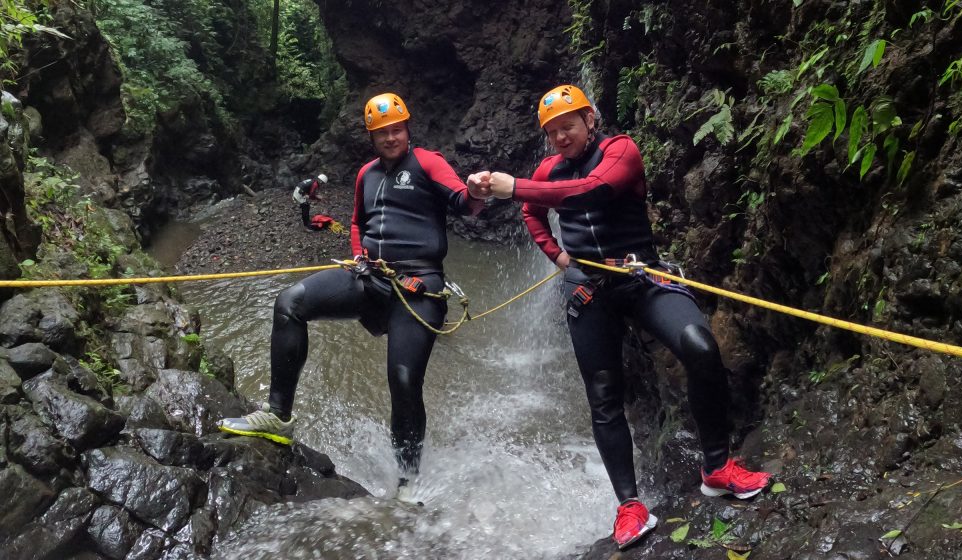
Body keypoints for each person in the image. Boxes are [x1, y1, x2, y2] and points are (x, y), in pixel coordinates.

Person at [468, 85, 771, 549]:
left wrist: (516, 186)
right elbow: (533, 211)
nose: (560, 138)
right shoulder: (549, 168)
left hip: (640, 275)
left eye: (567, 126)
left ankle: (716, 467)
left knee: (700, 346)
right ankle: (629, 505)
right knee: (604, 396)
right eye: (552, 132)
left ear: (590, 119)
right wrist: (559, 257)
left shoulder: (621, 150)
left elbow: (592, 191)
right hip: (588, 288)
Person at [219, 92, 487, 500]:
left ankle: (408, 478)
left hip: (418, 287)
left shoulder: (428, 163)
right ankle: (278, 415)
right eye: (383, 133)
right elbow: (359, 222)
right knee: (289, 303)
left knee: (403, 381)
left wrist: (476, 191)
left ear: (407, 128)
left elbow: (464, 205)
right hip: (370, 278)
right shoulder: (367, 174)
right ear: (372, 136)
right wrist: (359, 255)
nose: (391, 138)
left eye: (397, 129)